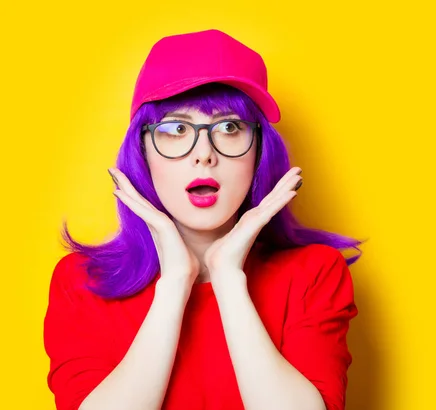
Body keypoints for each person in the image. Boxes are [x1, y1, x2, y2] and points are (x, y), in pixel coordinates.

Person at [43, 29, 364, 410]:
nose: (204, 154)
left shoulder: (314, 274)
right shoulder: (82, 282)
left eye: (229, 127)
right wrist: (176, 280)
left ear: (259, 150)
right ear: (142, 150)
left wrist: (228, 277)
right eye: (176, 129)